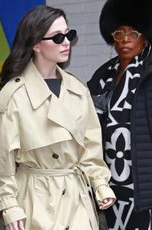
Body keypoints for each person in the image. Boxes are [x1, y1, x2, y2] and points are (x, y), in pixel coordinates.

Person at [0, 5, 116, 230]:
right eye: (57, 37)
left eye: (69, 35)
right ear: (35, 45)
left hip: (77, 199)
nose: (66, 42)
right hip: (36, 201)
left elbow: (90, 148)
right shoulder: (14, 96)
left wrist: (100, 183)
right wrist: (10, 205)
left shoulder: (78, 89)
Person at [87, 0, 152, 229]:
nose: (125, 39)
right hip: (110, 181)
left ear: (145, 35)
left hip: (142, 182)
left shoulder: (148, 72)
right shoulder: (103, 75)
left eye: (132, 33)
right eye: (119, 33)